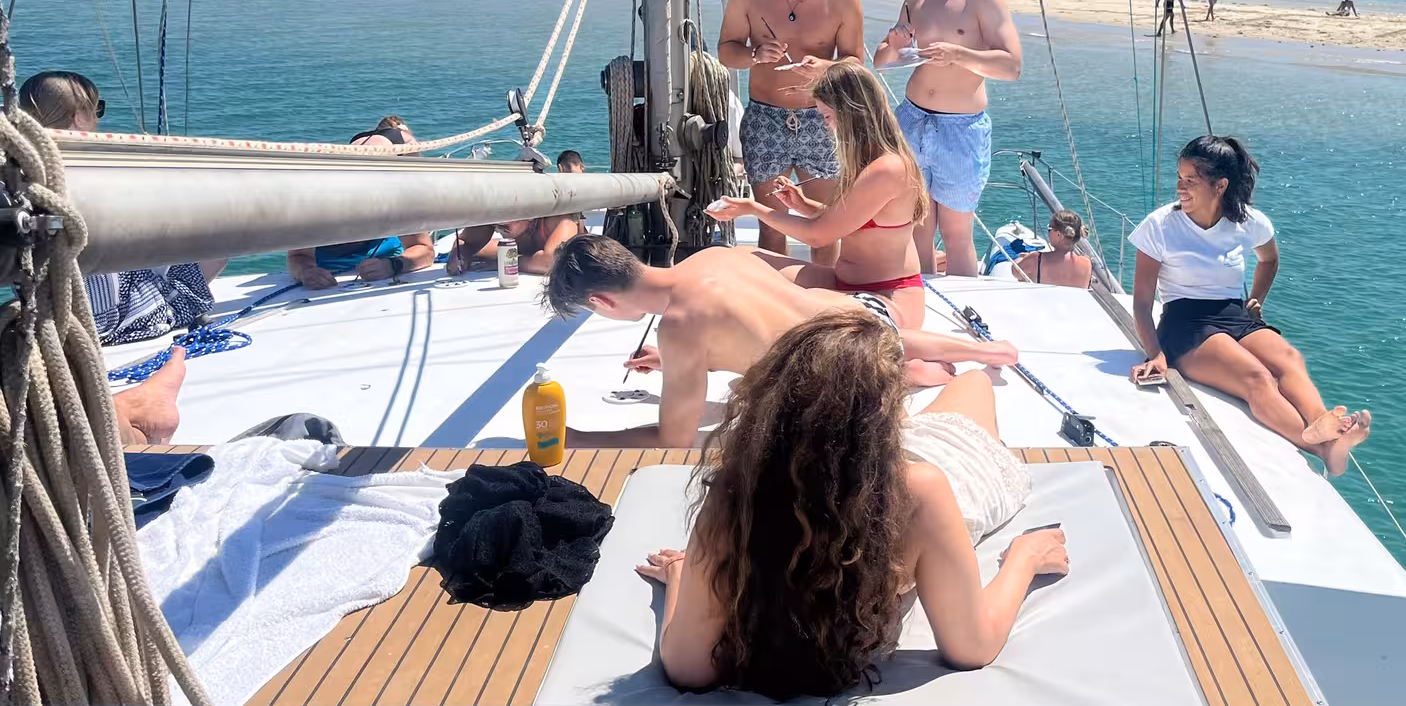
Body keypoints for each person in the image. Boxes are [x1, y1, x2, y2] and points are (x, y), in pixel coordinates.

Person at [636, 310, 1069, 697]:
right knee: (975, 382)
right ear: (882, 419)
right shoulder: (919, 494)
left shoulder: (737, 494)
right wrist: (1024, 559)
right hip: (928, 471)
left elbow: (687, 669)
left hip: (880, 466)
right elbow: (972, 648)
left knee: (968, 387)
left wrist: (680, 577)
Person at [544, 234, 1019, 447]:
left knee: (751, 393)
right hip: (871, 316)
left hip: (853, 376)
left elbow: (674, 439)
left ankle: (914, 371)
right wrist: (674, 360)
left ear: (603, 302)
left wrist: (579, 438)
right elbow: (758, 322)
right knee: (828, 320)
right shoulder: (714, 256)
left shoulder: (680, 326)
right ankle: (976, 350)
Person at [1128, 136, 1370, 476]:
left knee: (1290, 358)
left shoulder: (1247, 221)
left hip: (1234, 314)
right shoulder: (1160, 225)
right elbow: (1141, 303)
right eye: (1179, 178)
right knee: (1258, 377)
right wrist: (1155, 353)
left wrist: (1257, 299)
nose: (1180, 187)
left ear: (1221, 185)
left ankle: (1320, 423)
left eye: (1190, 180)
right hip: (1185, 324)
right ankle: (1324, 449)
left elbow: (1269, 259)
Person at [709, 59, 929, 328]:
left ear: (850, 112)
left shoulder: (887, 169)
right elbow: (851, 221)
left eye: (827, 116)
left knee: (770, 306)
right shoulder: (868, 161)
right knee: (739, 261)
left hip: (884, 296)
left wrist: (753, 208)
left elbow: (818, 236)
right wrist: (803, 206)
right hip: (849, 285)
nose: (826, 126)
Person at [874, 0, 1022, 278]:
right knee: (917, 225)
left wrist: (959, 54)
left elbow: (1011, 66)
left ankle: (964, 316)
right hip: (912, 118)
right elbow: (882, 61)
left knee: (957, 233)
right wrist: (893, 43)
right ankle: (921, 297)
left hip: (961, 128)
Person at [22, 71, 224, 343]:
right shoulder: (95, 173)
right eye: (98, 109)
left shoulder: (22, 173)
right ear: (79, 118)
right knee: (220, 240)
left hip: (50, 313)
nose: (97, 119)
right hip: (109, 319)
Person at [717, 0, 867, 266]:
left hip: (821, 120)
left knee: (824, 224)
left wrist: (825, 67)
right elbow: (726, 52)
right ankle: (777, 297)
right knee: (771, 223)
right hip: (765, 119)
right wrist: (755, 55)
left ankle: (823, 302)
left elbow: (855, 62)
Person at [286, 127, 434, 288]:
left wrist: (393, 265)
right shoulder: (315, 202)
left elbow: (424, 250)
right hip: (331, 280)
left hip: (386, 275)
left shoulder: (396, 197)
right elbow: (298, 255)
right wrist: (307, 272)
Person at [445, 212, 582, 277]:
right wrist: (457, 257)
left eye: (508, 216)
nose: (500, 224)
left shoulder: (562, 220)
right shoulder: (500, 221)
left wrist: (506, 262)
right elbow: (465, 244)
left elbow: (551, 262)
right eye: (496, 223)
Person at [1012, 210, 1093, 289]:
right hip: (1074, 303)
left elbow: (1015, 271)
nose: (1048, 232)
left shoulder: (1038, 259)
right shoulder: (1087, 262)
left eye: (1049, 229)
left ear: (1058, 235)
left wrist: (1022, 258)